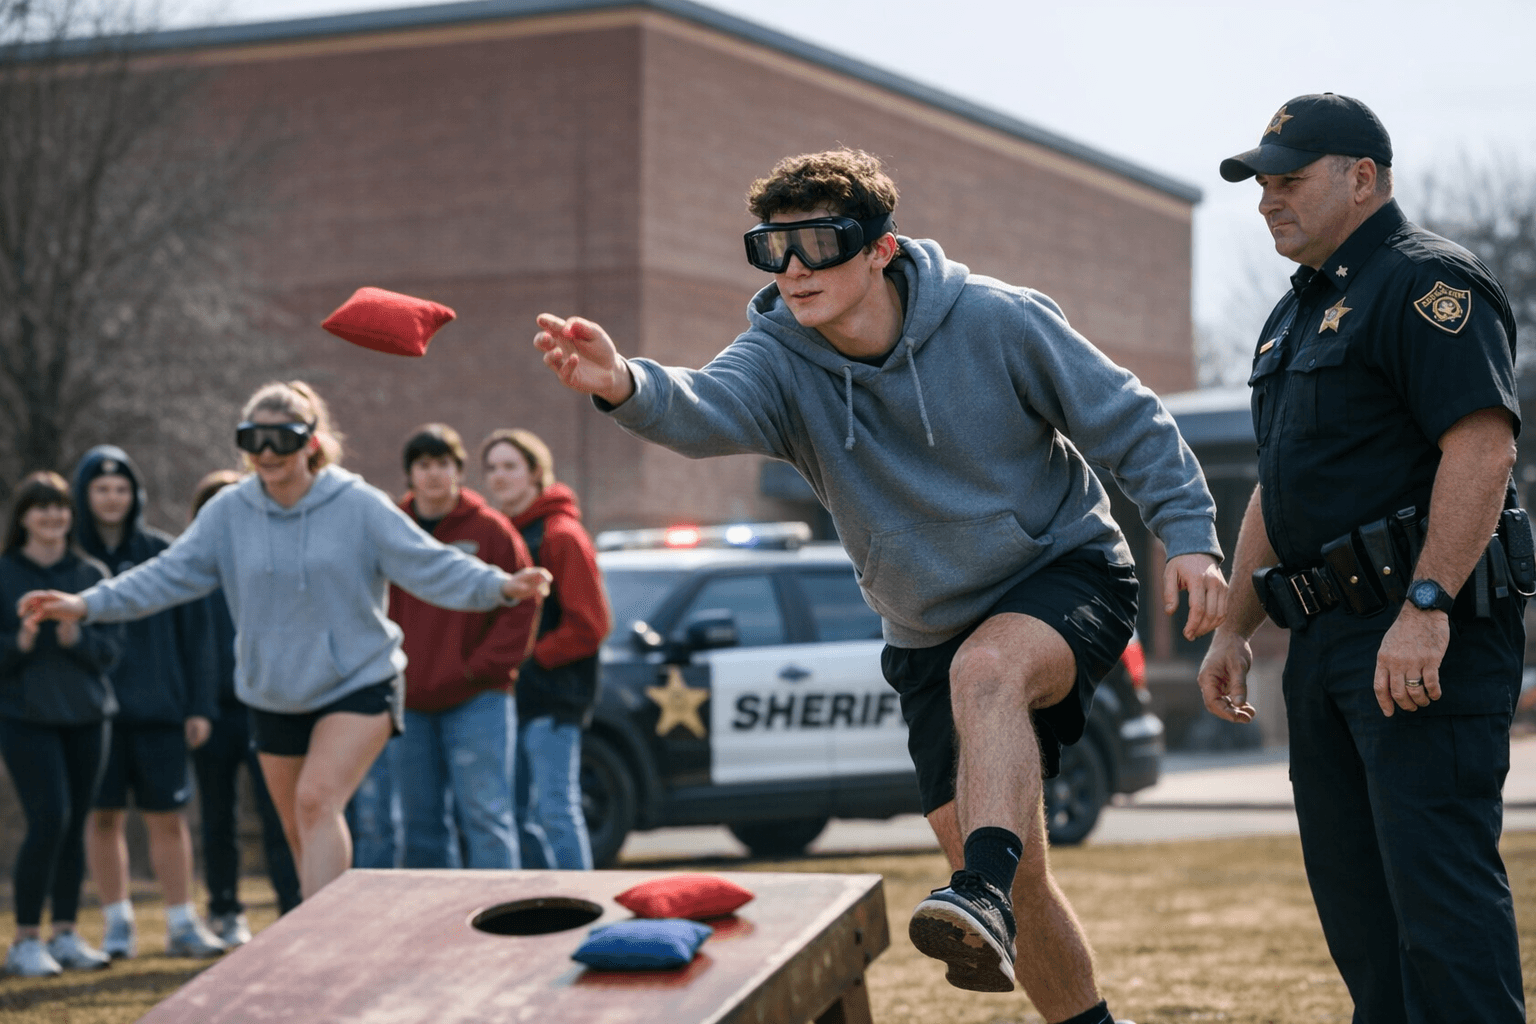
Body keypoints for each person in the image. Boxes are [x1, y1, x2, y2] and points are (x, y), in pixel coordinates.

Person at [533, 149, 1225, 1023]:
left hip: (1063, 569)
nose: (792, 269)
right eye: (769, 248)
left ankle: (981, 886)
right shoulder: (779, 358)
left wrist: (1191, 538)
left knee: (990, 690)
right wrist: (623, 383)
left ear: (878, 249)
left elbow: (1130, 420)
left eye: (816, 243)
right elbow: (702, 405)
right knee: (1008, 871)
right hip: (927, 627)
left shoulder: (997, 322)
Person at [1197, 94, 1526, 1020]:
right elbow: (1279, 483)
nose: (1268, 200)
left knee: (1442, 914)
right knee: (1360, 918)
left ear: (1363, 178)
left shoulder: (1426, 284)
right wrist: (1234, 627)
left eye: (1289, 180)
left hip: (1420, 637)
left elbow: (1482, 446)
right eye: (1262, 184)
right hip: (1328, 641)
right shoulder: (1293, 314)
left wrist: (1426, 606)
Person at [20, 381, 552, 901]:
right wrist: (86, 604)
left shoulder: (357, 505)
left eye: (283, 438)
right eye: (254, 440)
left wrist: (499, 587)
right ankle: (321, 932)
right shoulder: (229, 512)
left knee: (318, 801)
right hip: (274, 691)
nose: (268, 453)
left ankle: (323, 953)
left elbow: (426, 562)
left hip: (360, 679)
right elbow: (165, 575)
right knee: (298, 827)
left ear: (312, 443)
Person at [71, 446, 225, 960]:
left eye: (121, 488)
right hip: (94, 716)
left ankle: (183, 922)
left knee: (168, 818)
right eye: (101, 488)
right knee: (103, 818)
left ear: (134, 495)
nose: (112, 498)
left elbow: (197, 637)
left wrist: (199, 706)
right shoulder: (70, 560)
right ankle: (118, 924)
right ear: (83, 496)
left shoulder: (164, 552)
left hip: (161, 713)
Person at [389, 424, 539, 868]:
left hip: (478, 699)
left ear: (458, 471)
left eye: (443, 464)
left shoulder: (490, 530)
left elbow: (523, 599)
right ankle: (437, 931)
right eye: (423, 465)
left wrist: (480, 668)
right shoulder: (392, 529)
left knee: (486, 818)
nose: (434, 474)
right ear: (410, 474)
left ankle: (503, 926)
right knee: (419, 825)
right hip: (409, 701)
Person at [0, 473, 120, 976]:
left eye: (61, 507)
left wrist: (76, 637)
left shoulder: (90, 572)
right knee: (48, 818)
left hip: (88, 716)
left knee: (75, 825)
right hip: (26, 717)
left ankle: (66, 934)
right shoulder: (4, 573)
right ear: (23, 516)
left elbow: (113, 654)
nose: (53, 516)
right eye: (41, 507)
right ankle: (24, 940)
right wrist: (22, 642)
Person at [481, 428, 610, 870]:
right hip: (510, 702)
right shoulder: (503, 535)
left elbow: (590, 626)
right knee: (514, 816)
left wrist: (528, 661)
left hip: (553, 701)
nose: (498, 477)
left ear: (536, 473)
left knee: (555, 811)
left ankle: (582, 909)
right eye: (492, 468)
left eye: (510, 467)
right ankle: (543, 908)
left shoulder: (561, 535)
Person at [187, 470, 302, 946]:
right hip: (211, 716)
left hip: (268, 709)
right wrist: (195, 708)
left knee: (282, 818)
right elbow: (189, 648)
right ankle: (225, 911)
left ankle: (294, 909)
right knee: (218, 820)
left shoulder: (271, 565)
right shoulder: (192, 575)